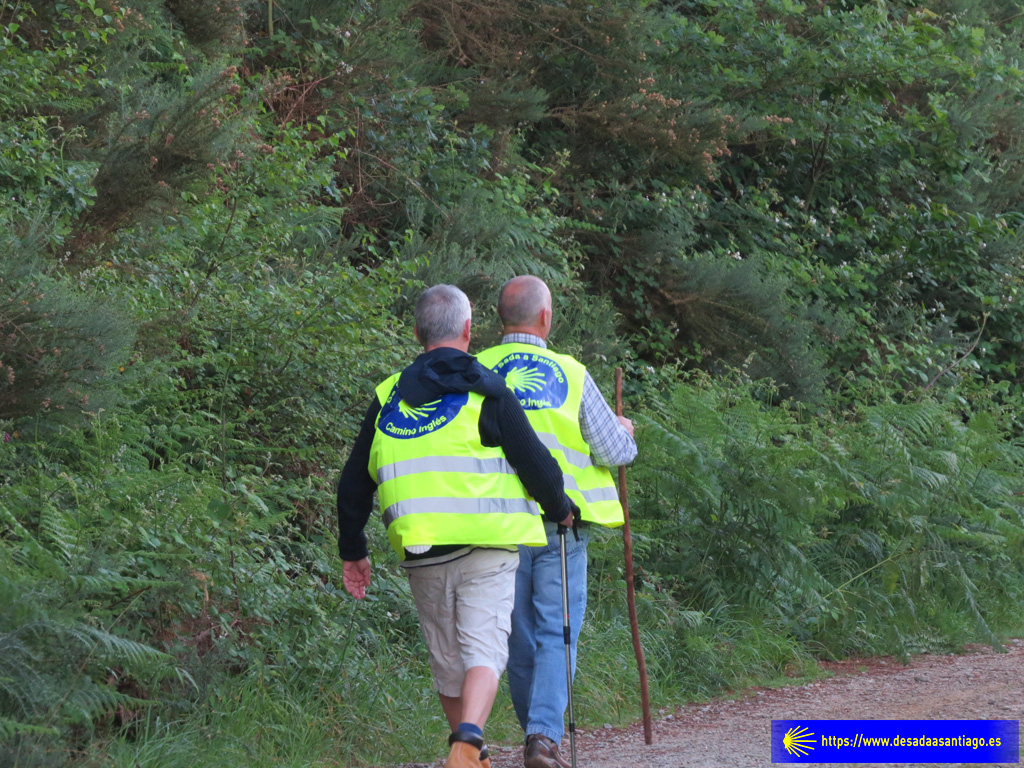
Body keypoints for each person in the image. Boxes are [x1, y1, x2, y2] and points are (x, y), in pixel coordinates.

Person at [336, 284, 578, 768]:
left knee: (448, 663)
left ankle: (469, 754)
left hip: (423, 550)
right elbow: (536, 464)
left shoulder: (389, 397)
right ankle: (468, 740)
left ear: (416, 332)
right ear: (469, 329)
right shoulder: (488, 389)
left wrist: (353, 549)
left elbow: (353, 482)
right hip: (488, 547)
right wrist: (561, 508)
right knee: (485, 653)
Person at [476, 276, 637, 768]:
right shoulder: (571, 373)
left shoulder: (473, 370)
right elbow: (614, 450)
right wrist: (625, 429)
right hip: (559, 526)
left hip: (497, 527)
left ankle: (537, 735)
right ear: (545, 317)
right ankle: (542, 740)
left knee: (518, 635)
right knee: (557, 631)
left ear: (499, 318)